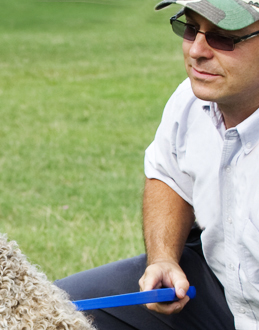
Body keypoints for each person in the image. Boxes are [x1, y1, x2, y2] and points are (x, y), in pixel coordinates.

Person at [55, 1, 259, 329]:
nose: (196, 51)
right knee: (51, 312)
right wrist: (163, 257)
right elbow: (168, 174)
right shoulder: (191, 101)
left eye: (222, 37)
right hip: (214, 285)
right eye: (190, 28)